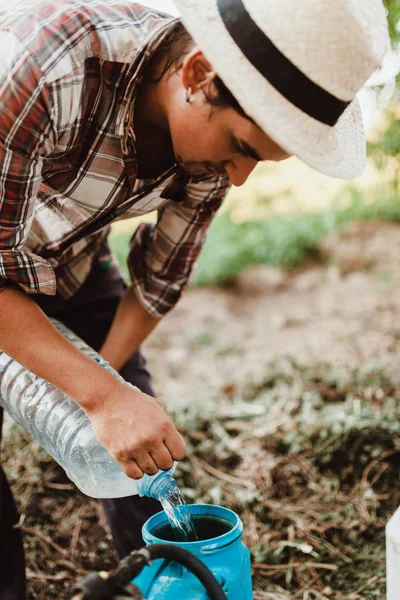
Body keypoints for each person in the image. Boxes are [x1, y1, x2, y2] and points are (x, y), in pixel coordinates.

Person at [0, 0, 388, 597]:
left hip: (69, 258)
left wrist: (107, 392)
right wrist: (98, 395)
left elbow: (156, 284)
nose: (237, 179)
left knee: (141, 448)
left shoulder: (207, 158)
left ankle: (167, 581)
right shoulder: (46, 66)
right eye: (241, 146)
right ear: (198, 74)